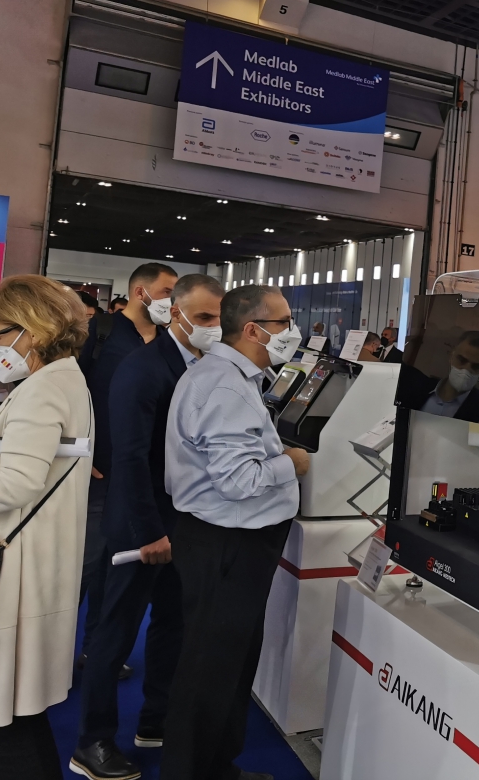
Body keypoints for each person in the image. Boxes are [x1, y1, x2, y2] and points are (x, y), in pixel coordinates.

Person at [72, 275, 224, 780]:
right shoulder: (143, 369)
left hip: (184, 522)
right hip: (141, 525)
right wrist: (148, 532)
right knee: (114, 635)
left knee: (172, 626)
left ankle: (156, 720)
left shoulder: (202, 366)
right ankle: (92, 742)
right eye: (203, 318)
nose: (213, 327)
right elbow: (132, 458)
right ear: (176, 313)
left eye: (218, 317)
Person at [162, 285, 309, 780]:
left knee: (229, 664)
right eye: (284, 322)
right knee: (209, 669)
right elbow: (238, 481)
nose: (292, 331)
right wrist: (291, 464)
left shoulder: (230, 377)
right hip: (226, 542)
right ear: (252, 329)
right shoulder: (224, 385)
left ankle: (217, 766)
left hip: (230, 541)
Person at [0, 276, 93, 779]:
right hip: (31, 559)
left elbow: (17, 483)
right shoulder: (62, 378)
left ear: (30, 330)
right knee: (16, 715)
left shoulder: (42, 388)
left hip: (16, 566)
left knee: (6, 719)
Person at [79, 263, 177, 670]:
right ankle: (50, 656)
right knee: (83, 567)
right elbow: (71, 391)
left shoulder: (169, 343)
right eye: (168, 292)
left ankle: (96, 650)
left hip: (144, 478)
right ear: (141, 293)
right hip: (99, 472)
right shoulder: (99, 332)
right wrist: (81, 453)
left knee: (118, 572)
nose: (173, 301)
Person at [396, 329, 479, 422]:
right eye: (462, 360)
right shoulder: (414, 386)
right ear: (451, 356)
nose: (466, 369)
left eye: (476, 366)